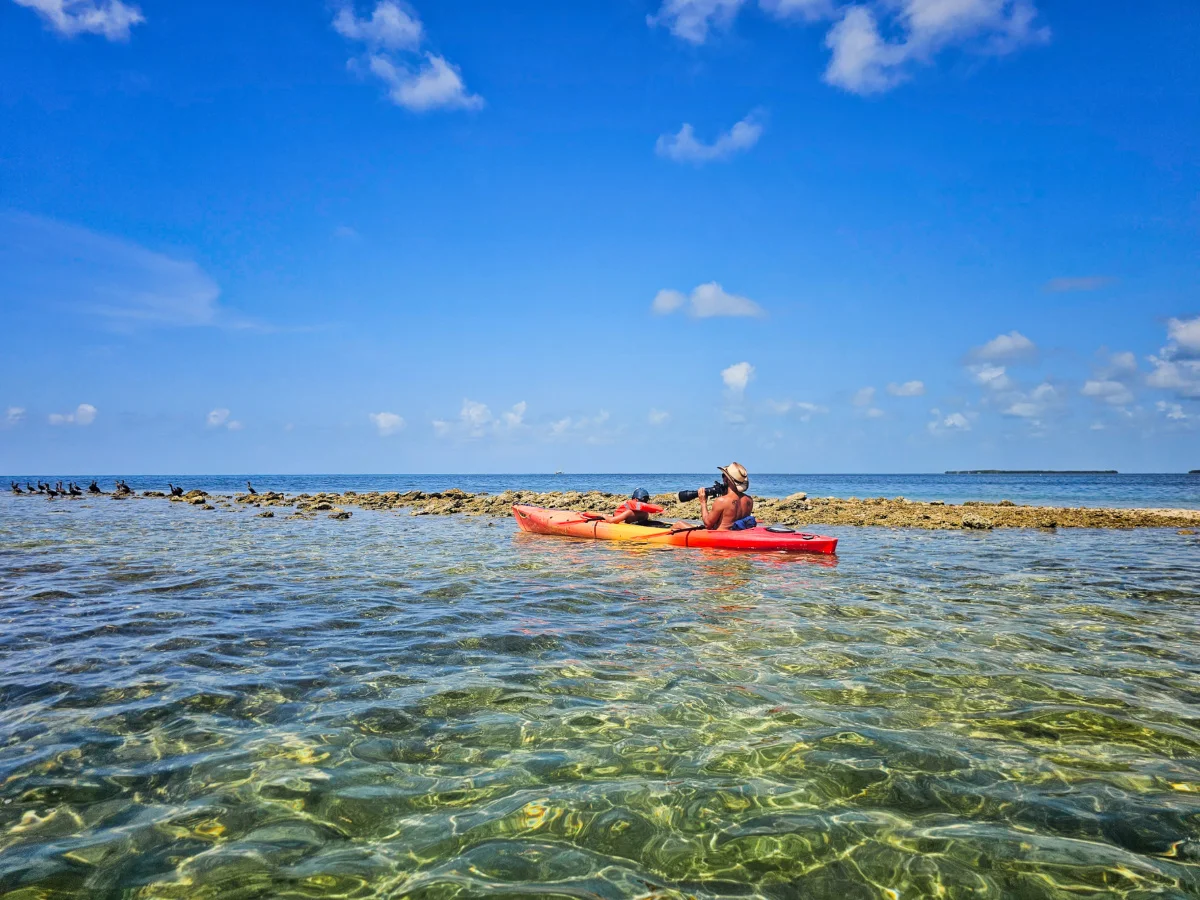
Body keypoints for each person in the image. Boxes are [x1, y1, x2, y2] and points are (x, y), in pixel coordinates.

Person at [681, 462, 756, 531]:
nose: (723, 479)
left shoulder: (722, 501)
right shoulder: (749, 500)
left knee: (678, 524)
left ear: (727, 479)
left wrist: (703, 502)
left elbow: (708, 525)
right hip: (736, 535)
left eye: (724, 476)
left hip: (719, 537)